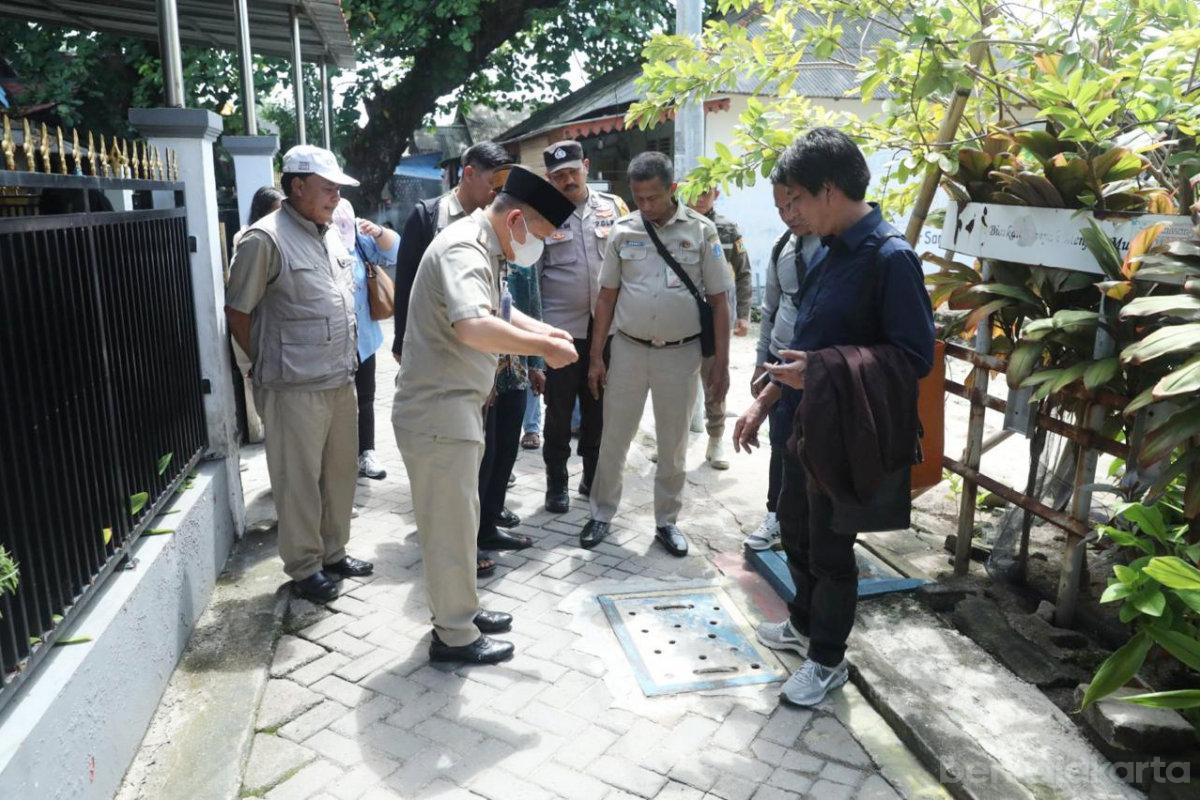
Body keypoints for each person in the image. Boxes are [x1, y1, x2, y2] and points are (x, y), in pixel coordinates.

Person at [733, 129, 934, 706]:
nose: (790, 214)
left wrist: (821, 369)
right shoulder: (831, 249)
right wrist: (764, 400)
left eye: (793, 200)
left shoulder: (890, 258)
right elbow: (806, 344)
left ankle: (828, 662)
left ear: (827, 190)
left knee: (831, 548)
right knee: (793, 527)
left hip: (848, 432)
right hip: (805, 423)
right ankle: (802, 624)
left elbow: (914, 357)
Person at [392, 167, 578, 665]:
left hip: (456, 408)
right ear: (516, 219)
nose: (536, 248)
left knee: (463, 518)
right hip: (438, 412)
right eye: (538, 236)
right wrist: (542, 347)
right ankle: (454, 636)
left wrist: (547, 333)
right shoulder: (462, 248)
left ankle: (462, 609)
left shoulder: (484, 244)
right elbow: (474, 326)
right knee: (450, 530)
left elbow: (500, 309)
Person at [225, 145, 373, 603]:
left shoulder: (328, 233)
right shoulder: (263, 239)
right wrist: (264, 364)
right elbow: (238, 312)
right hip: (292, 386)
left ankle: (333, 551)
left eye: (337, 189)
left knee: (339, 474)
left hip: (338, 379)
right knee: (298, 481)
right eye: (327, 188)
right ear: (298, 186)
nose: (334, 197)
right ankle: (304, 566)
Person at [579, 152, 733, 556]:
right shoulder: (623, 231)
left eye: (654, 198)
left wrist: (720, 363)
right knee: (614, 437)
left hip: (680, 356)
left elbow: (720, 301)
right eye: (639, 198)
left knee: (674, 443)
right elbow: (607, 297)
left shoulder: (702, 232)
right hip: (629, 350)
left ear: (673, 190)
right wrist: (597, 356)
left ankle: (666, 521)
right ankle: (601, 514)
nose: (646, 206)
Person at [535, 140, 630, 513]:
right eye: (558, 176)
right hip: (561, 333)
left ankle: (592, 477)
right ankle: (556, 483)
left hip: (605, 332)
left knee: (598, 409)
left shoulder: (615, 208)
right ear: (549, 178)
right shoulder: (540, 215)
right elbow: (534, 280)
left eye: (573, 171)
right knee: (558, 413)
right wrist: (538, 341)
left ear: (586, 167)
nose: (567, 180)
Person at [742, 179, 826, 551]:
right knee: (780, 443)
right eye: (780, 208)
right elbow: (771, 310)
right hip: (781, 362)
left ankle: (818, 522)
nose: (789, 214)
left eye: (795, 203)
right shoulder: (783, 248)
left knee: (816, 449)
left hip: (822, 368)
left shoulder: (836, 247)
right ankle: (776, 514)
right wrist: (762, 364)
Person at [392, 141, 514, 362]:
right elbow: (405, 285)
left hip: (486, 340)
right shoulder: (428, 217)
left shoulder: (498, 219)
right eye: (492, 184)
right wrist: (401, 343)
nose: (497, 194)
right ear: (469, 173)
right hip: (437, 344)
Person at [476, 260, 544, 575]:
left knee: (505, 452)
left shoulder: (521, 261)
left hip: (512, 370)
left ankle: (488, 526)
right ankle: (467, 540)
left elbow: (531, 308)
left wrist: (536, 363)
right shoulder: (474, 254)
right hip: (478, 373)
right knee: (481, 460)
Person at [331, 199, 399, 481]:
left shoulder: (359, 240)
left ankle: (366, 452)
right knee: (337, 402)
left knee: (367, 396)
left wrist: (379, 233)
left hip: (365, 336)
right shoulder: (317, 241)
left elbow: (396, 251)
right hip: (333, 338)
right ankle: (340, 459)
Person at [686, 188, 752, 470]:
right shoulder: (675, 226)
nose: (700, 198)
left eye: (706, 192)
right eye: (695, 192)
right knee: (676, 382)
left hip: (716, 316)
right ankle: (672, 441)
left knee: (714, 377)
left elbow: (744, 271)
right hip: (682, 315)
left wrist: (744, 315)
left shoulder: (727, 229)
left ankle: (716, 440)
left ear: (716, 194)